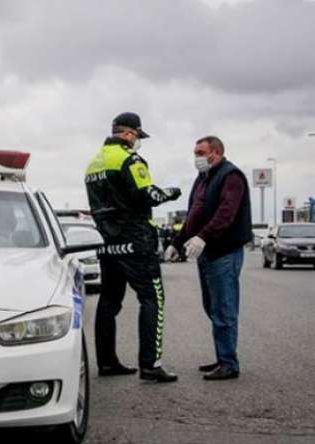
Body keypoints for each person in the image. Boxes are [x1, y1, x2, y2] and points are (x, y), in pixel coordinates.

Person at [84, 112, 182, 383]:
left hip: (106, 243)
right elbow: (145, 195)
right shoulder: (130, 159)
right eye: (138, 136)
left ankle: (107, 362)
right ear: (128, 134)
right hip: (136, 241)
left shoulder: (93, 163)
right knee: (153, 299)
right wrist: (171, 192)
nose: (138, 142)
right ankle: (150, 365)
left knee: (109, 302)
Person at [165, 136, 252, 381]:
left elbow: (227, 212)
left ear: (216, 152)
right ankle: (222, 356)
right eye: (195, 152)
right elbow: (194, 213)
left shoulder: (230, 176)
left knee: (224, 309)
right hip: (206, 253)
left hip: (223, 252)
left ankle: (228, 363)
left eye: (201, 152)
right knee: (212, 307)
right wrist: (176, 241)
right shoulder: (203, 179)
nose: (197, 158)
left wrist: (203, 237)